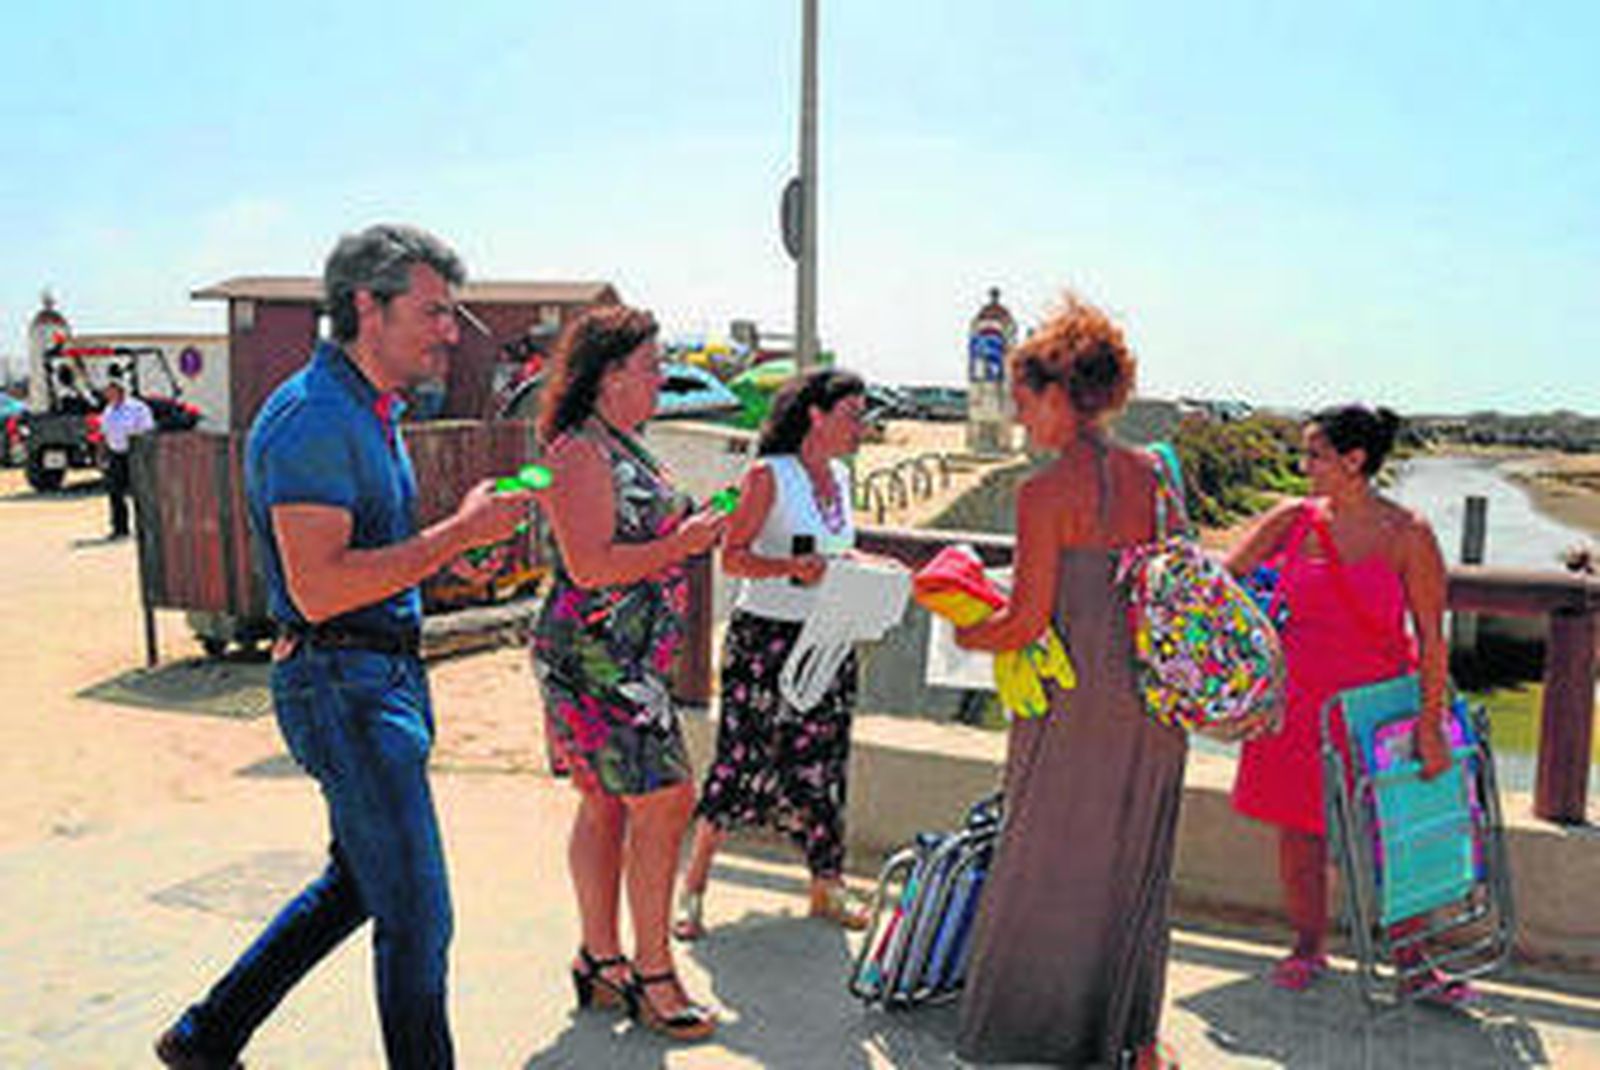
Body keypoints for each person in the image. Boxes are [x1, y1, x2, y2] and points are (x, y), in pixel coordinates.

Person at [155, 224, 532, 1069]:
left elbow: (364, 568)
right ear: (368, 306)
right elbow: (320, 588)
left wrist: (459, 565)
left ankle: (206, 1034)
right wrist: (451, 534)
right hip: (344, 688)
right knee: (418, 916)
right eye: (434, 312)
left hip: (375, 673)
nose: (450, 331)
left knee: (361, 885)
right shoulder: (314, 418)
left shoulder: (370, 410)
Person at [954, 293, 1183, 1069]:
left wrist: (967, 632)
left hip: (1074, 702)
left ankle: (1027, 1033)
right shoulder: (1159, 478)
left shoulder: (1043, 493)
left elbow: (1024, 623)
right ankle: (1135, 1039)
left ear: (1060, 394)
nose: (1021, 422)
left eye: (1025, 403)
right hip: (1154, 703)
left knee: (1043, 860)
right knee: (1135, 862)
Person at [529, 305, 727, 1042]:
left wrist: (697, 527)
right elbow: (591, 566)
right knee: (668, 798)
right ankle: (652, 971)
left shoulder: (621, 443)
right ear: (609, 376)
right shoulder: (579, 450)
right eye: (650, 364)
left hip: (623, 658)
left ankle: (601, 959)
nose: (662, 376)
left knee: (608, 804)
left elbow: (641, 534)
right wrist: (685, 543)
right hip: (595, 659)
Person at [1226, 404, 1465, 1000]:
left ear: (1355, 460)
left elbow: (1434, 640)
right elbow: (1220, 582)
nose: (1302, 465)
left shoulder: (1409, 533)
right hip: (1297, 706)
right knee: (1299, 833)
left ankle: (1413, 959)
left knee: (1395, 831)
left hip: (1377, 714)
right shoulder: (1293, 520)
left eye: (1314, 455)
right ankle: (1308, 947)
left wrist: (1431, 726)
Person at [673, 368, 877, 942]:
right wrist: (791, 567)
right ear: (816, 415)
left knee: (825, 763)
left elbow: (841, 549)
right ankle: (692, 889)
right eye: (851, 415)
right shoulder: (770, 474)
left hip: (829, 638)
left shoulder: (841, 475)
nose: (860, 427)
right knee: (741, 758)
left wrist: (863, 570)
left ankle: (827, 885)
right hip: (765, 640)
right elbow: (732, 557)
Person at [98, 376, 155, 538]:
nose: (108, 394)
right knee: (115, 492)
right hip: (116, 454)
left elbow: (147, 430)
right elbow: (103, 434)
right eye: (107, 392)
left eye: (112, 391)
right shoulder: (108, 410)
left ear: (120, 391)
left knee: (139, 493)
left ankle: (145, 527)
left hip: (135, 454)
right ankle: (120, 528)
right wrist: (102, 454)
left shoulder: (137, 408)